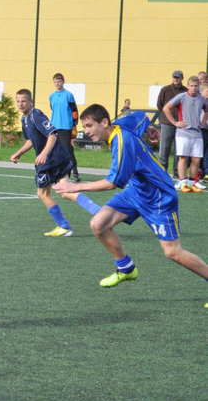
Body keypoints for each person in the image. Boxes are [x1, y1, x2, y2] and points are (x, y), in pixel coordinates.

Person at [53, 105, 208, 296]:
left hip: (159, 198)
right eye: (85, 127)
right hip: (136, 191)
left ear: (104, 122)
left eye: (90, 125)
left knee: (173, 252)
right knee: (99, 224)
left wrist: (75, 187)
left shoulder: (122, 141)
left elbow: (112, 183)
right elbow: (141, 117)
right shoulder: (120, 124)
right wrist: (148, 129)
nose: (87, 131)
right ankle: (126, 268)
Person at [11, 89, 100, 237]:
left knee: (42, 192)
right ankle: (99, 212)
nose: (21, 104)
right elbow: (31, 140)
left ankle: (63, 226)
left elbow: (52, 134)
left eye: (24, 101)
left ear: (31, 101)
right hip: (58, 157)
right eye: (18, 101)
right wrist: (19, 153)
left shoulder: (35, 115)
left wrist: (44, 153)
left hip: (51, 160)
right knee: (65, 191)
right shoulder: (24, 119)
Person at [162, 75, 208, 193]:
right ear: (188, 86)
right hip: (183, 133)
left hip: (197, 133)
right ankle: (183, 183)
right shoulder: (181, 97)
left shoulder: (202, 99)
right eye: (191, 86)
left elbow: (207, 110)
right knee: (183, 158)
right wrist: (175, 122)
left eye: (196, 86)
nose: (193, 88)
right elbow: (166, 108)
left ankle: (192, 183)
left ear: (198, 86)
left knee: (196, 159)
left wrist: (203, 123)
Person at [49, 73, 81, 182]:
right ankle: (59, 171)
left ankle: (74, 171)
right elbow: (53, 109)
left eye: (59, 81)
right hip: (54, 126)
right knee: (55, 150)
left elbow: (74, 110)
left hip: (66, 126)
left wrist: (74, 124)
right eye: (55, 82)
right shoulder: (51, 96)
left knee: (68, 149)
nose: (57, 84)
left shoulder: (68, 95)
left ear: (63, 82)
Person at [156, 70, 187, 178]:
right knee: (164, 149)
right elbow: (160, 105)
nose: (176, 79)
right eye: (174, 77)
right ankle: (162, 173)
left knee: (179, 149)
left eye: (178, 77)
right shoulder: (165, 90)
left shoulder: (185, 91)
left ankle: (177, 173)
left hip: (181, 124)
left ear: (182, 78)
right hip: (167, 123)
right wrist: (167, 117)